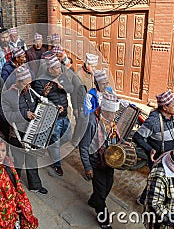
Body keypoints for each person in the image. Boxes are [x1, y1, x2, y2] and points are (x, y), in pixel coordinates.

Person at [79, 69, 117, 229]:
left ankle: (94, 200)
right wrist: (87, 167)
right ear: (102, 111)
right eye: (110, 114)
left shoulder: (111, 122)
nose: (112, 117)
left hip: (108, 162)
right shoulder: (91, 123)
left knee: (108, 185)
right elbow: (84, 146)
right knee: (102, 192)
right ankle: (104, 219)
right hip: (96, 162)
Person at [1, 65, 48, 194]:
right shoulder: (8, 95)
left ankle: (35, 186)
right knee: (18, 162)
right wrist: (23, 114)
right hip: (17, 136)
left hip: (31, 132)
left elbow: (35, 107)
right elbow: (5, 116)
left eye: (29, 83)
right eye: (25, 84)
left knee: (32, 160)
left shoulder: (29, 91)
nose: (28, 86)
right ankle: (13, 185)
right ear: (18, 82)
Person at [133, 89, 174, 205]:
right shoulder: (153, 122)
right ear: (165, 107)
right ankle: (144, 200)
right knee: (156, 180)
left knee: (160, 180)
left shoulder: (173, 117)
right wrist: (150, 149)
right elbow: (137, 137)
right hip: (158, 158)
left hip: (171, 156)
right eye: (173, 105)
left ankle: (147, 199)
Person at [32, 55, 73, 176]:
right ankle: (57, 165)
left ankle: (50, 147)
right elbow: (39, 101)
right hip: (53, 118)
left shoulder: (62, 77)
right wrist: (46, 92)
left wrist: (62, 87)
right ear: (50, 70)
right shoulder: (40, 81)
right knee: (55, 141)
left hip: (64, 115)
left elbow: (70, 88)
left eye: (60, 68)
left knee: (67, 137)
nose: (60, 70)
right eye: (57, 68)